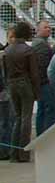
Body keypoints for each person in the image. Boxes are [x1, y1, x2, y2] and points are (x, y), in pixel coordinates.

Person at [1, 21, 39, 162]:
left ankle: (13, 153)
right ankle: (23, 153)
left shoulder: (7, 50)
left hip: (11, 84)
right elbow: (34, 74)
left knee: (16, 118)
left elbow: (4, 73)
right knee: (25, 119)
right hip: (25, 84)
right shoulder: (28, 50)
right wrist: (36, 91)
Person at [31, 20, 55, 135]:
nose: (48, 29)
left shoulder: (39, 43)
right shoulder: (41, 45)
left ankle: (40, 133)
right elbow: (42, 65)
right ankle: (46, 134)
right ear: (38, 29)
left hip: (40, 82)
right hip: (44, 82)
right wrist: (46, 80)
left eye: (49, 27)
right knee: (50, 108)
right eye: (45, 27)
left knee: (42, 109)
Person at [0, 27, 16, 160]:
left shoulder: (6, 52)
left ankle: (6, 149)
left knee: (8, 121)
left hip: (8, 91)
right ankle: (5, 150)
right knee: (6, 122)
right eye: (11, 37)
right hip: (5, 92)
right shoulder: (4, 53)